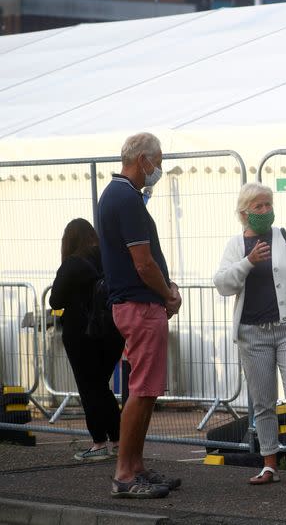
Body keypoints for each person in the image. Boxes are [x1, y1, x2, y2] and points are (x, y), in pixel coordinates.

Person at [213, 182, 286, 486]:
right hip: (252, 333)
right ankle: (269, 463)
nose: (265, 211)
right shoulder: (236, 245)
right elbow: (223, 284)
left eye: (268, 204)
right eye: (258, 206)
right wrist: (249, 262)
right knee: (263, 400)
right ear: (244, 212)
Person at [98, 132, 182, 499]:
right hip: (140, 303)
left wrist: (164, 289)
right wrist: (167, 294)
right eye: (157, 161)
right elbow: (143, 262)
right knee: (142, 390)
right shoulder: (126, 198)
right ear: (143, 159)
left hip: (136, 302)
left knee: (145, 391)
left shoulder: (118, 195)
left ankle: (135, 466)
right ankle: (124, 473)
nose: (158, 168)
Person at [49, 218, 125, 461]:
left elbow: (55, 301)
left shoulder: (72, 264)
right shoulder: (108, 257)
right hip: (112, 331)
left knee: (90, 388)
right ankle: (118, 439)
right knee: (102, 387)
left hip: (81, 334)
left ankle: (99, 442)